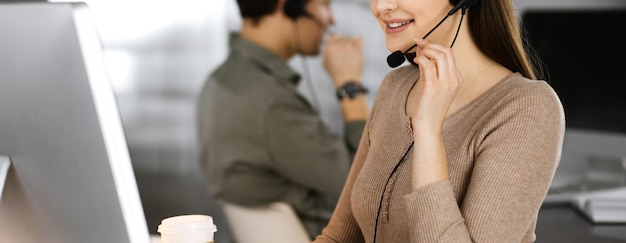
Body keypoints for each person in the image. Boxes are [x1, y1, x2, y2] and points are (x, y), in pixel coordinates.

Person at [313, 0, 565, 242]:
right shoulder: (395, 87)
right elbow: (338, 238)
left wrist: (428, 131)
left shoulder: (526, 106)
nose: (380, 6)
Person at [196, 0, 370, 238]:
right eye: (324, 5)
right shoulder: (270, 103)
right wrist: (350, 84)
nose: (332, 20)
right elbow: (365, 185)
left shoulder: (221, 81)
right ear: (289, 6)